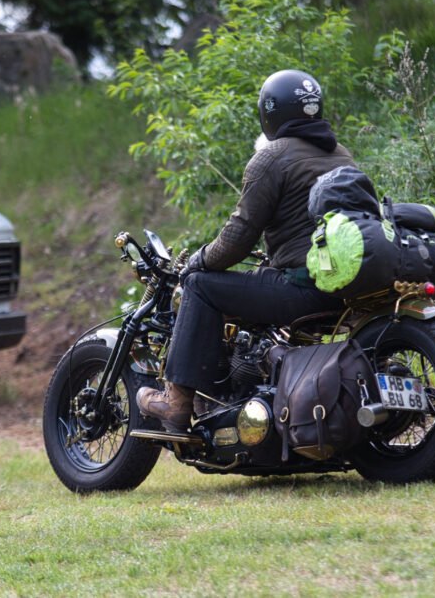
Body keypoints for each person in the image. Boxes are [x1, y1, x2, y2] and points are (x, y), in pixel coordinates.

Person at [137, 69, 356, 431]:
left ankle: (176, 402)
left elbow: (236, 240)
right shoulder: (341, 154)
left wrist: (198, 260)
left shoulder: (272, 157)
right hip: (344, 290)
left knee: (200, 286)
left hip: (303, 291)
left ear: (269, 113)